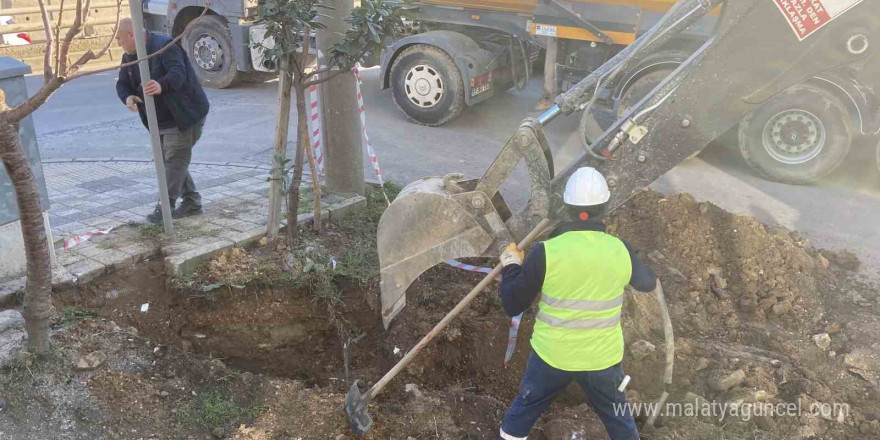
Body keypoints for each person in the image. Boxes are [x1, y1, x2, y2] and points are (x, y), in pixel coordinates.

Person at [496, 167, 657, 440]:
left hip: (552, 357)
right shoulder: (620, 249)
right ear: (605, 207)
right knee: (622, 426)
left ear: (568, 208)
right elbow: (647, 283)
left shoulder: (546, 252)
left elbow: (513, 304)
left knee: (521, 416)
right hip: (602, 360)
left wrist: (511, 265)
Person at [115, 18, 210, 223]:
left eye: (119, 39)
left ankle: (164, 209)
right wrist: (128, 97)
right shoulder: (129, 57)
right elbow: (122, 84)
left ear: (131, 35)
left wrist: (161, 85)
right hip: (158, 122)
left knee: (174, 161)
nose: (118, 43)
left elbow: (179, 73)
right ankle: (192, 202)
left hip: (184, 116)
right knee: (171, 161)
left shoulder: (164, 46)